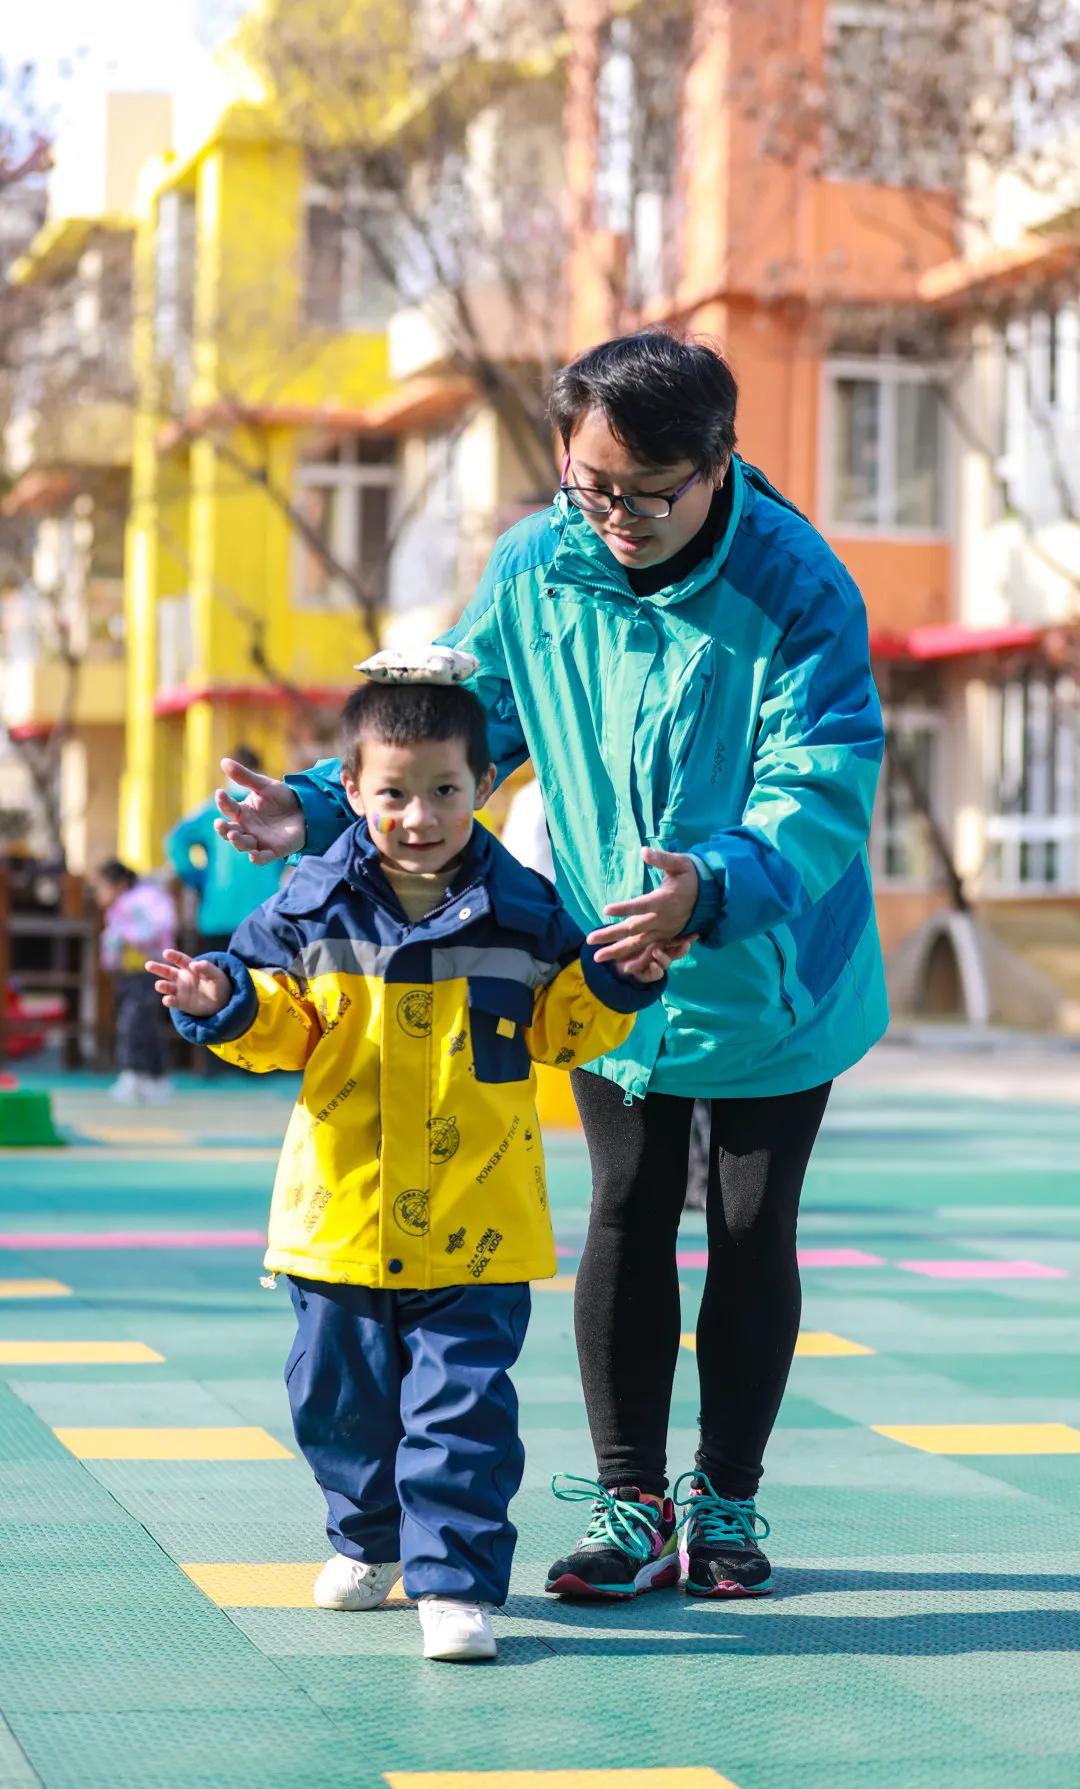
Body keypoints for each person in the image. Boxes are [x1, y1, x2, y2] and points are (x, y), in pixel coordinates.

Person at [211, 330, 889, 1603]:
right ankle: (633, 1504)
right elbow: (470, 729)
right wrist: (317, 803)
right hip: (602, 961)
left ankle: (727, 1503)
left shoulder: (798, 583)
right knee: (626, 1208)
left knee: (751, 1224)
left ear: (718, 462)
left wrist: (719, 885)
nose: (617, 517)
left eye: (649, 492)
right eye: (592, 486)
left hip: (772, 958)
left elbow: (824, 775)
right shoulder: (538, 564)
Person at [147, 659, 670, 1659]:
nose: (418, 815)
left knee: (461, 1406)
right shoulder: (309, 902)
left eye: (444, 790)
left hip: (477, 1219)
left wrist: (615, 980)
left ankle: (455, 1580)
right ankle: (368, 1534)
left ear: (484, 786)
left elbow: (561, 1033)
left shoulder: (524, 913)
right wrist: (223, 1003)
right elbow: (284, 1026)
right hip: (338, 1215)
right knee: (331, 1396)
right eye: (393, 792)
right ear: (350, 792)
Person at [165, 745, 284, 955]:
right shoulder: (275, 806)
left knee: (223, 980)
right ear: (258, 770)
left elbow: (175, 841)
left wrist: (197, 878)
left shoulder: (213, 808)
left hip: (219, 913)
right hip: (266, 912)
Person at [93, 859, 177, 1104]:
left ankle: (135, 1074)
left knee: (135, 1021)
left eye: (102, 887)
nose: (99, 894)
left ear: (118, 884)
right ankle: (152, 1076)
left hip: (150, 969)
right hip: (129, 972)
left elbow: (161, 924)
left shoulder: (144, 899)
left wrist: (127, 936)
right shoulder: (118, 907)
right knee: (142, 1023)